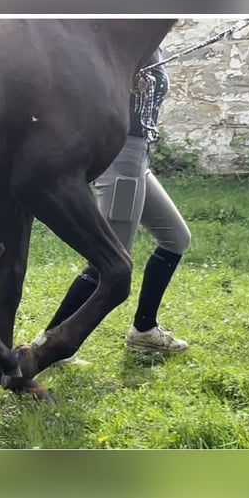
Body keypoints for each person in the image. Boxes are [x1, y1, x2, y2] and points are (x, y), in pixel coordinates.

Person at [44, 48, 191, 359]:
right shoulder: (117, 43)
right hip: (121, 159)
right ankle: (51, 341)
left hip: (139, 158)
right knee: (108, 261)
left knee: (176, 238)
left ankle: (144, 331)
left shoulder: (151, 45)